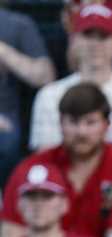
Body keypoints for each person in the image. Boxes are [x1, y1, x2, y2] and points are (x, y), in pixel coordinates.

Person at [2, 83, 112, 237]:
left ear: (106, 125)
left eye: (90, 122)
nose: (81, 132)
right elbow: (10, 231)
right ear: (60, 123)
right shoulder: (31, 168)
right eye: (74, 122)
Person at [29, 4, 112, 165]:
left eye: (103, 36)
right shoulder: (49, 95)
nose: (95, 44)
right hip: (65, 185)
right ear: (74, 41)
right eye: (88, 35)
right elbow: (47, 161)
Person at [0, 3, 54, 182]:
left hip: (5, 120)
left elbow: (44, 76)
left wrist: (3, 50)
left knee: (7, 144)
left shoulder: (16, 24)